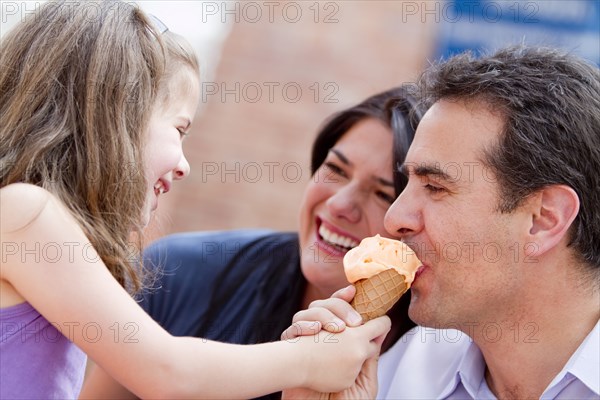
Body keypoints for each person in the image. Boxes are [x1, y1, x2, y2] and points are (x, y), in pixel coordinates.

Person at [0, 1, 391, 399]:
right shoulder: (24, 214)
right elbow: (168, 371)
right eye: (179, 129)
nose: (185, 165)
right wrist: (310, 360)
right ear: (117, 117)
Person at [285, 45, 600, 399]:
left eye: (435, 187)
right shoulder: (401, 371)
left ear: (544, 219)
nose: (394, 220)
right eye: (407, 185)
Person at [81, 86, 426, 399]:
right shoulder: (176, 271)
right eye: (335, 169)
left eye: (383, 194)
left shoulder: (438, 366)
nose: (338, 205)